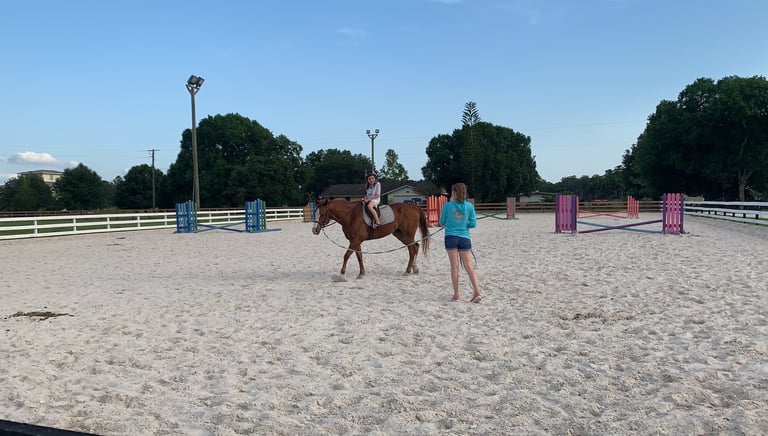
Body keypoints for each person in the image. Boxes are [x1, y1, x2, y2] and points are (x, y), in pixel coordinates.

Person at [439, 182, 481, 303]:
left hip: (451, 237)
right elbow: (473, 224)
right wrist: (464, 222)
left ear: (454, 192)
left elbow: (442, 222)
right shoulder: (469, 206)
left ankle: (456, 294)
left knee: (454, 267)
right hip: (464, 237)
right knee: (469, 266)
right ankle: (476, 292)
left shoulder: (447, 206)